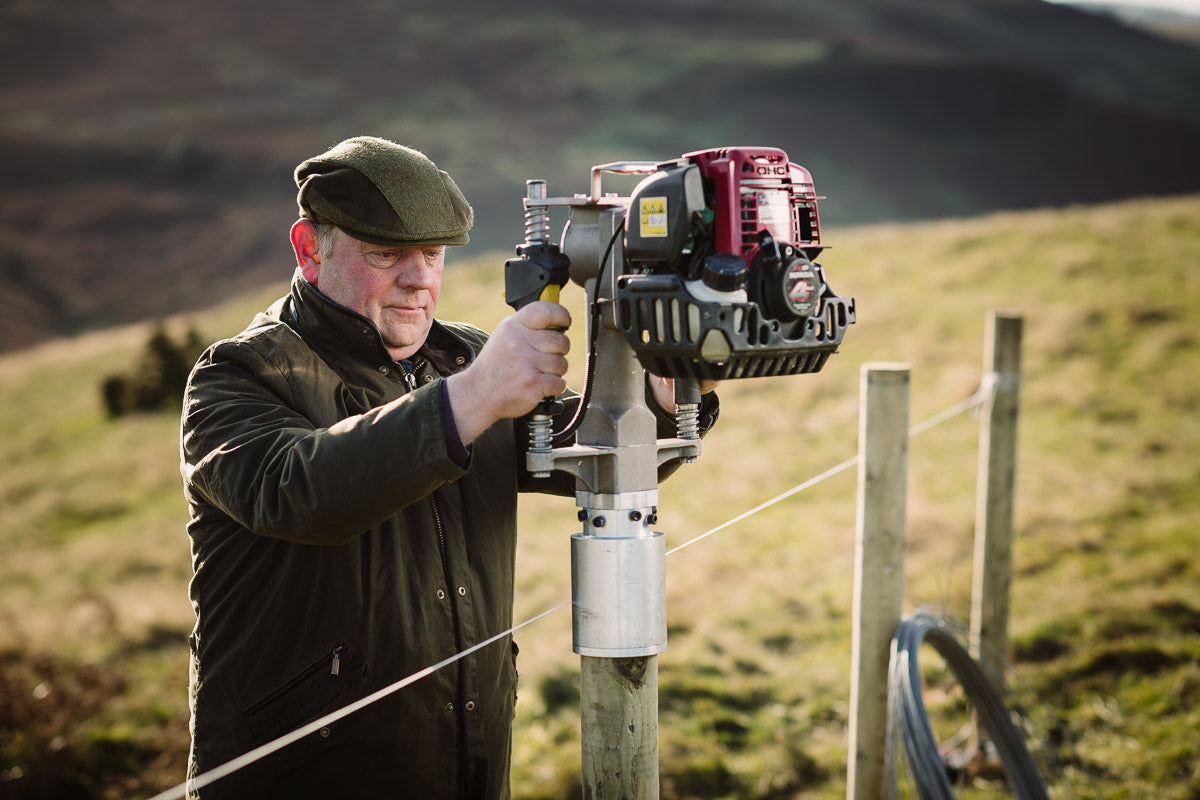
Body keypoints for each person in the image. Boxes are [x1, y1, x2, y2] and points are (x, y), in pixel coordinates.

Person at [180, 136, 718, 799]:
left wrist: (668, 396)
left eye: (432, 255)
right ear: (308, 247)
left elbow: (592, 456)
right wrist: (477, 395)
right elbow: (298, 492)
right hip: (301, 778)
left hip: (469, 764)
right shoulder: (235, 375)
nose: (418, 279)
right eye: (386, 255)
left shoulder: (464, 357)